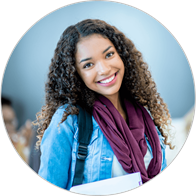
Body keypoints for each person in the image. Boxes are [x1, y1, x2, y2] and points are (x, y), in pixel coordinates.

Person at [34, 19, 174, 191]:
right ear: (76, 74)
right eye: (88, 65)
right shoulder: (68, 120)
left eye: (109, 55)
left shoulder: (144, 115)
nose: (104, 69)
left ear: (122, 55)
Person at [1, 96, 33, 164]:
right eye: (5, 121)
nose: (9, 127)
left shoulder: (19, 145)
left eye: (12, 121)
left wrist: (27, 146)